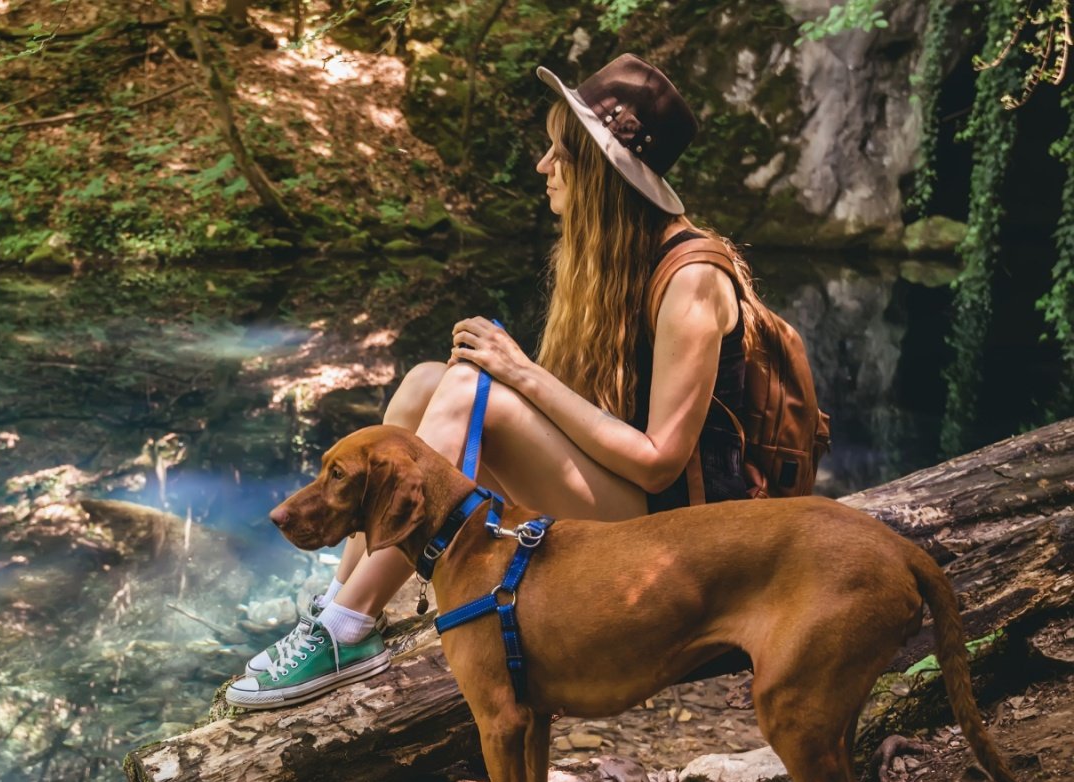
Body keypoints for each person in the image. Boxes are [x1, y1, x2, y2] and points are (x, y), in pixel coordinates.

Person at [228, 54, 751, 709]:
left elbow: (658, 462)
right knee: (426, 381)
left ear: (601, 173)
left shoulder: (692, 280)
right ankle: (343, 602)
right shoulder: (618, 258)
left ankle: (347, 629)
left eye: (559, 150)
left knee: (479, 393)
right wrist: (513, 377)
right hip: (631, 504)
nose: (542, 165)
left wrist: (521, 373)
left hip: (686, 538)